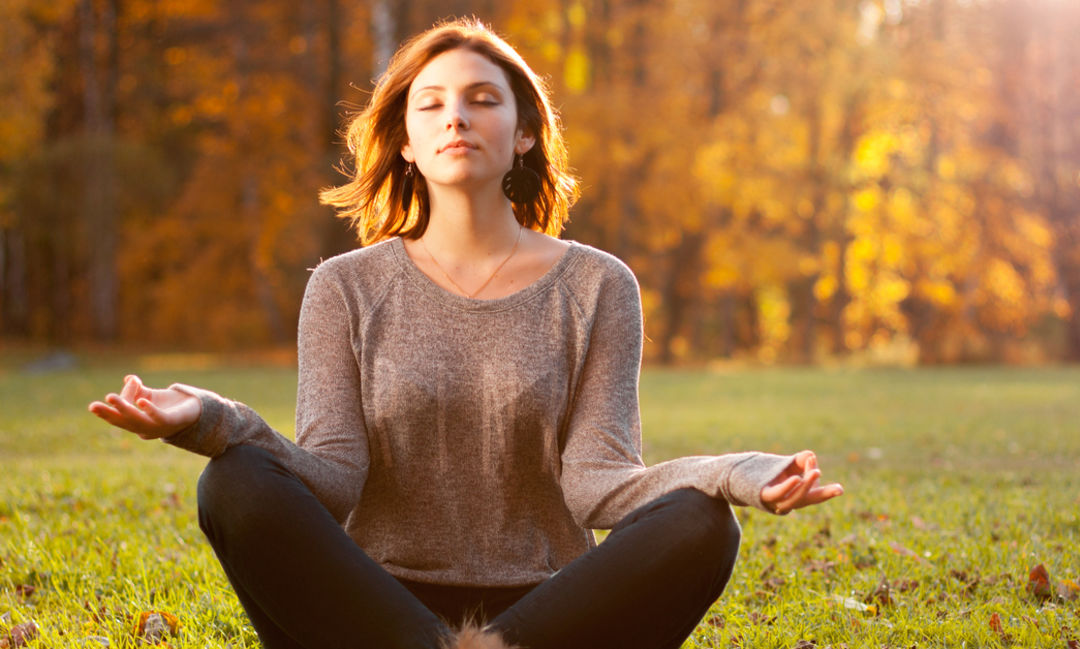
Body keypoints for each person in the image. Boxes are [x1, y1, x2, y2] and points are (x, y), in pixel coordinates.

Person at [88, 18, 842, 649]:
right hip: (371, 610)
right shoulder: (343, 288)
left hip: (547, 614)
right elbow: (331, 476)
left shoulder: (598, 285)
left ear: (521, 134)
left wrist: (738, 473)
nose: (457, 117)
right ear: (407, 141)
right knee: (234, 480)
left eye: (483, 100)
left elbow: (599, 481)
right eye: (432, 103)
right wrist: (212, 418)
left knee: (701, 524)